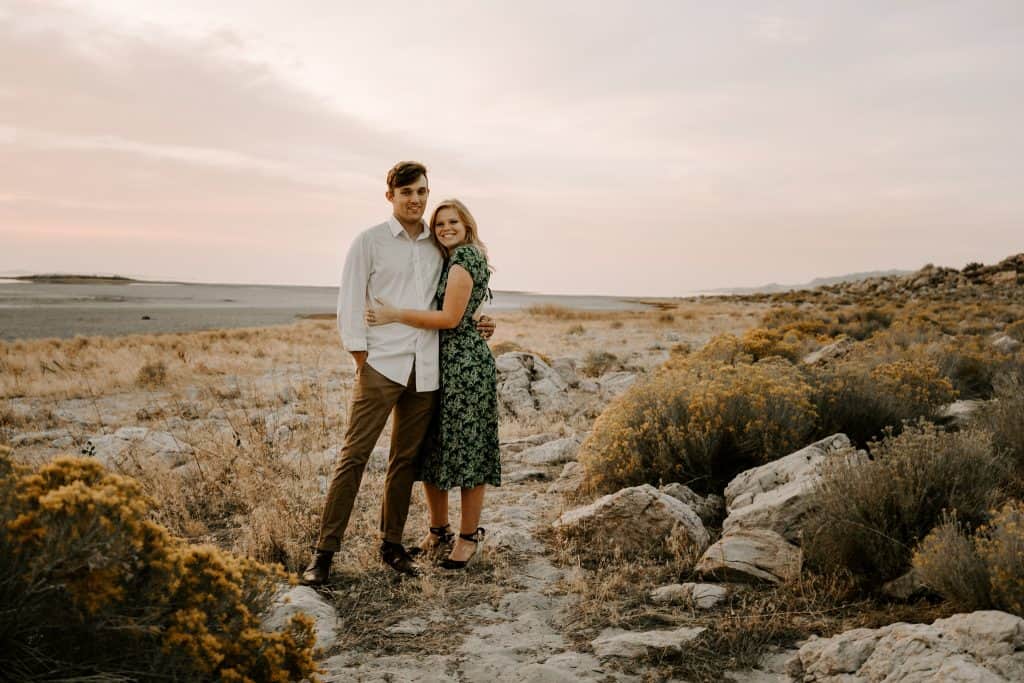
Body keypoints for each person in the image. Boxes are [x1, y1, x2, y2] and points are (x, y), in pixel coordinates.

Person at [301, 162, 493, 585]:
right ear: (390, 196)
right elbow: (349, 304)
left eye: (422, 192)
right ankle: (324, 554)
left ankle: (391, 546)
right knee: (353, 458)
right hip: (381, 366)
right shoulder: (369, 242)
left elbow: (456, 296)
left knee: (404, 462)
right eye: (407, 192)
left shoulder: (437, 246)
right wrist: (360, 360)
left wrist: (482, 318)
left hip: (425, 370)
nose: (416, 200)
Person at [366, 198, 500, 570]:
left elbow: (450, 318)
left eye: (453, 221)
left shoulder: (465, 258)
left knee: (468, 452)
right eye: (440, 224)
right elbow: (466, 311)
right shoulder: (445, 260)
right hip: (439, 365)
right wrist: (482, 318)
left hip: (466, 370)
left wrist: (394, 314)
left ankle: (468, 537)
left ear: (467, 224)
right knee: (432, 451)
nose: (446, 228)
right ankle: (438, 530)